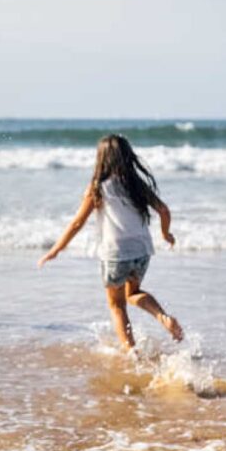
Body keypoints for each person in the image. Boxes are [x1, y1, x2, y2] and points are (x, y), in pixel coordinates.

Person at [37, 134, 184, 350]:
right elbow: (163, 210)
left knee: (117, 305)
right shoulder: (136, 185)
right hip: (142, 251)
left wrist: (56, 249)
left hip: (115, 254)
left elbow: (78, 222)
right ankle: (162, 317)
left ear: (102, 158)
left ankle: (130, 352)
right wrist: (166, 234)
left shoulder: (98, 187)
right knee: (133, 293)